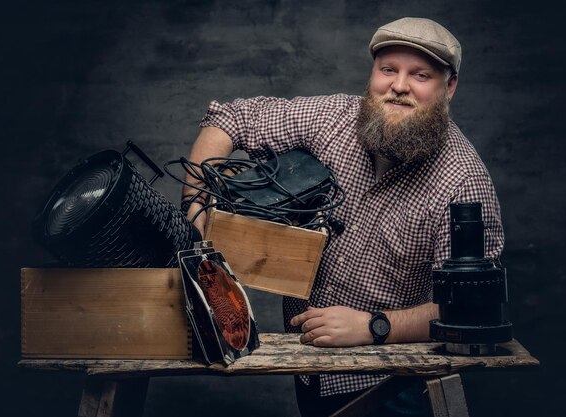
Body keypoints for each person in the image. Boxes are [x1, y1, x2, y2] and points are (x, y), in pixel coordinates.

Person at [181, 17, 504, 417]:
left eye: (420, 75)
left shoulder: (463, 181)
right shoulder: (333, 118)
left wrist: (374, 327)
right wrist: (194, 207)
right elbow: (230, 118)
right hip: (310, 369)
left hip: (394, 384)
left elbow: (468, 308)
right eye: (389, 70)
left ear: (448, 86)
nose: (399, 86)